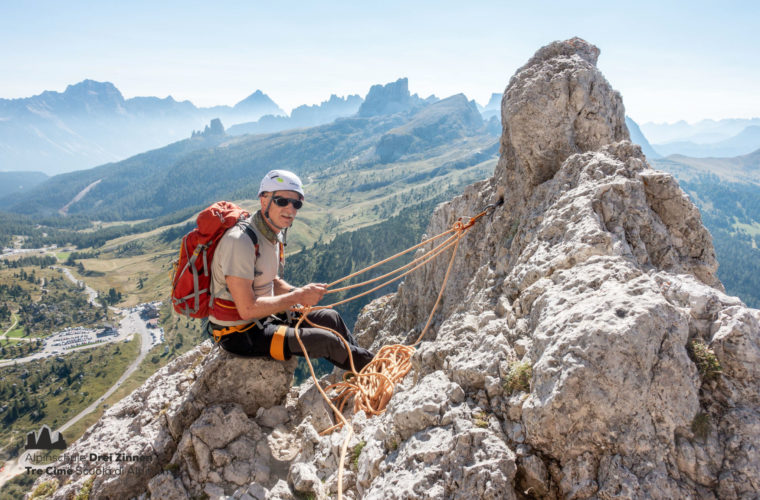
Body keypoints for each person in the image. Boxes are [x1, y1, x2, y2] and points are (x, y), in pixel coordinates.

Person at [207, 169, 375, 371]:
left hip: (265, 319)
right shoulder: (240, 242)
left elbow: (272, 281)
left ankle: (358, 371)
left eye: (296, 204)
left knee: (331, 318)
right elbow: (247, 308)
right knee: (326, 341)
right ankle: (379, 370)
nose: (291, 209)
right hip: (241, 334)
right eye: (282, 201)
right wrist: (297, 297)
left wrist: (298, 294)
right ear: (264, 200)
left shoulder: (271, 235)